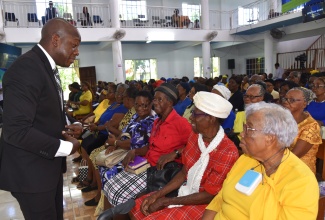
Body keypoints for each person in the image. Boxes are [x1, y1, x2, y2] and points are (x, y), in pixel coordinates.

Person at [0, 18, 82, 219]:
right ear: (55, 40)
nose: (77, 52)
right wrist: (67, 147)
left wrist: (69, 125)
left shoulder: (44, 66)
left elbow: (43, 111)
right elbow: (17, 130)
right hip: (30, 173)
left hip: (44, 168)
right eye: (74, 45)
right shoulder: (27, 68)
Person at [130, 91, 239, 219]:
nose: (191, 117)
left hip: (206, 204)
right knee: (137, 206)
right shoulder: (195, 136)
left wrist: (167, 201)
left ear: (211, 118)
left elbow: (209, 195)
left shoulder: (227, 151)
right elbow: (184, 172)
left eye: (195, 114)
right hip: (188, 190)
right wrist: (158, 195)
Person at [202, 102, 319, 220]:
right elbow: (219, 201)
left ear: (270, 137)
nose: (242, 134)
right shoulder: (245, 160)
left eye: (249, 129)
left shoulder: (300, 181)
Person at [101, 83, 192, 215]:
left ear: (170, 102)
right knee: (109, 185)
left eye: (159, 99)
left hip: (161, 171)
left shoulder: (181, 123)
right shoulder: (157, 122)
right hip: (146, 164)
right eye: (154, 99)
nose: (155, 102)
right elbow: (150, 146)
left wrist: (175, 153)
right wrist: (135, 151)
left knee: (117, 195)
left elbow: (193, 145)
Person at [281, 87, 322, 173]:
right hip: (280, 164)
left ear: (304, 104)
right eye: (285, 99)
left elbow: (294, 156)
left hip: (300, 171)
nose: (285, 102)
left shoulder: (311, 126)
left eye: (291, 100)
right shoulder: (282, 120)